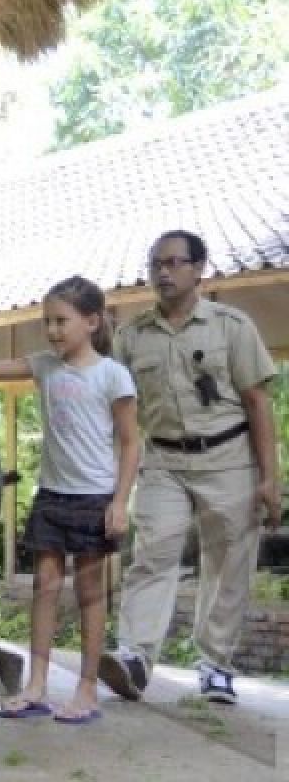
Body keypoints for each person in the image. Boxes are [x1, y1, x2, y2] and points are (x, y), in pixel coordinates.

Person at [98, 230, 281, 705]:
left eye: (175, 262)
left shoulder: (231, 326)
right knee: (153, 552)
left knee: (227, 564)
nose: (163, 271)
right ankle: (135, 658)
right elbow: (115, 412)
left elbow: (258, 403)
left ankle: (216, 663)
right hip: (162, 460)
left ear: (199, 269)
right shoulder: (131, 337)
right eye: (156, 263)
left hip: (228, 459)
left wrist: (268, 478)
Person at [0, 275, 140, 724]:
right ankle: (36, 685)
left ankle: (87, 690)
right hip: (51, 495)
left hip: (94, 498)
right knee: (44, 589)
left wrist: (120, 502)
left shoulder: (112, 374)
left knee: (89, 594)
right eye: (47, 322)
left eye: (61, 321)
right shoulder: (45, 366)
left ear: (91, 321)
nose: (52, 331)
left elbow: (130, 443)